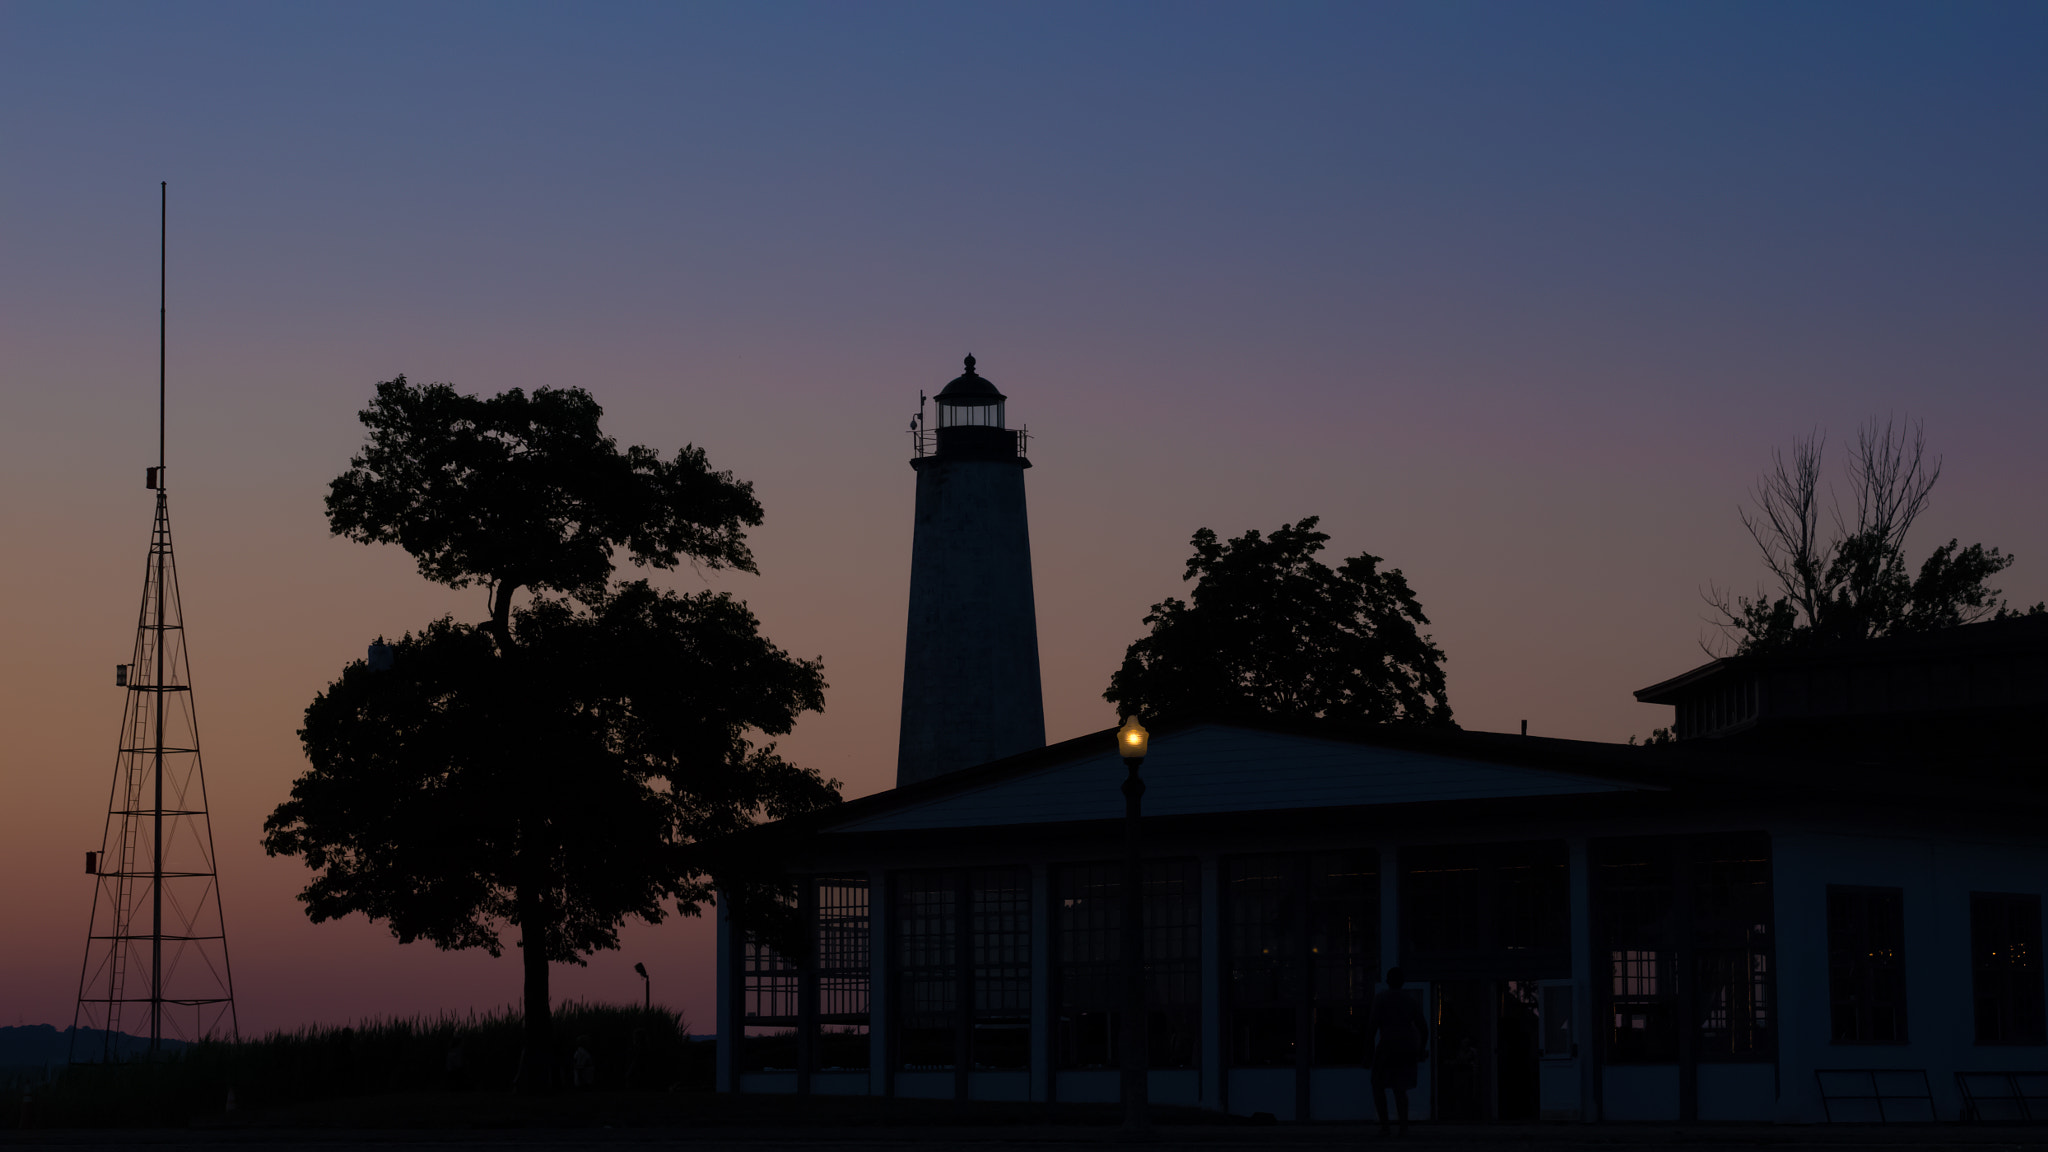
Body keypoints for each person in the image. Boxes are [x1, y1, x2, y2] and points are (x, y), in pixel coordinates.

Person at [1367, 967, 1428, 1137]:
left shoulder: (1381, 999)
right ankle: (1403, 1126)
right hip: (1406, 1047)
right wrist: (1421, 1048)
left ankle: (1385, 1125)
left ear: (1388, 981)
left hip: (1387, 1046)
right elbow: (1424, 1028)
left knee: (1378, 1084)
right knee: (1400, 1088)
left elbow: (1371, 1029)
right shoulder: (1410, 1001)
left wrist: (1368, 1052)